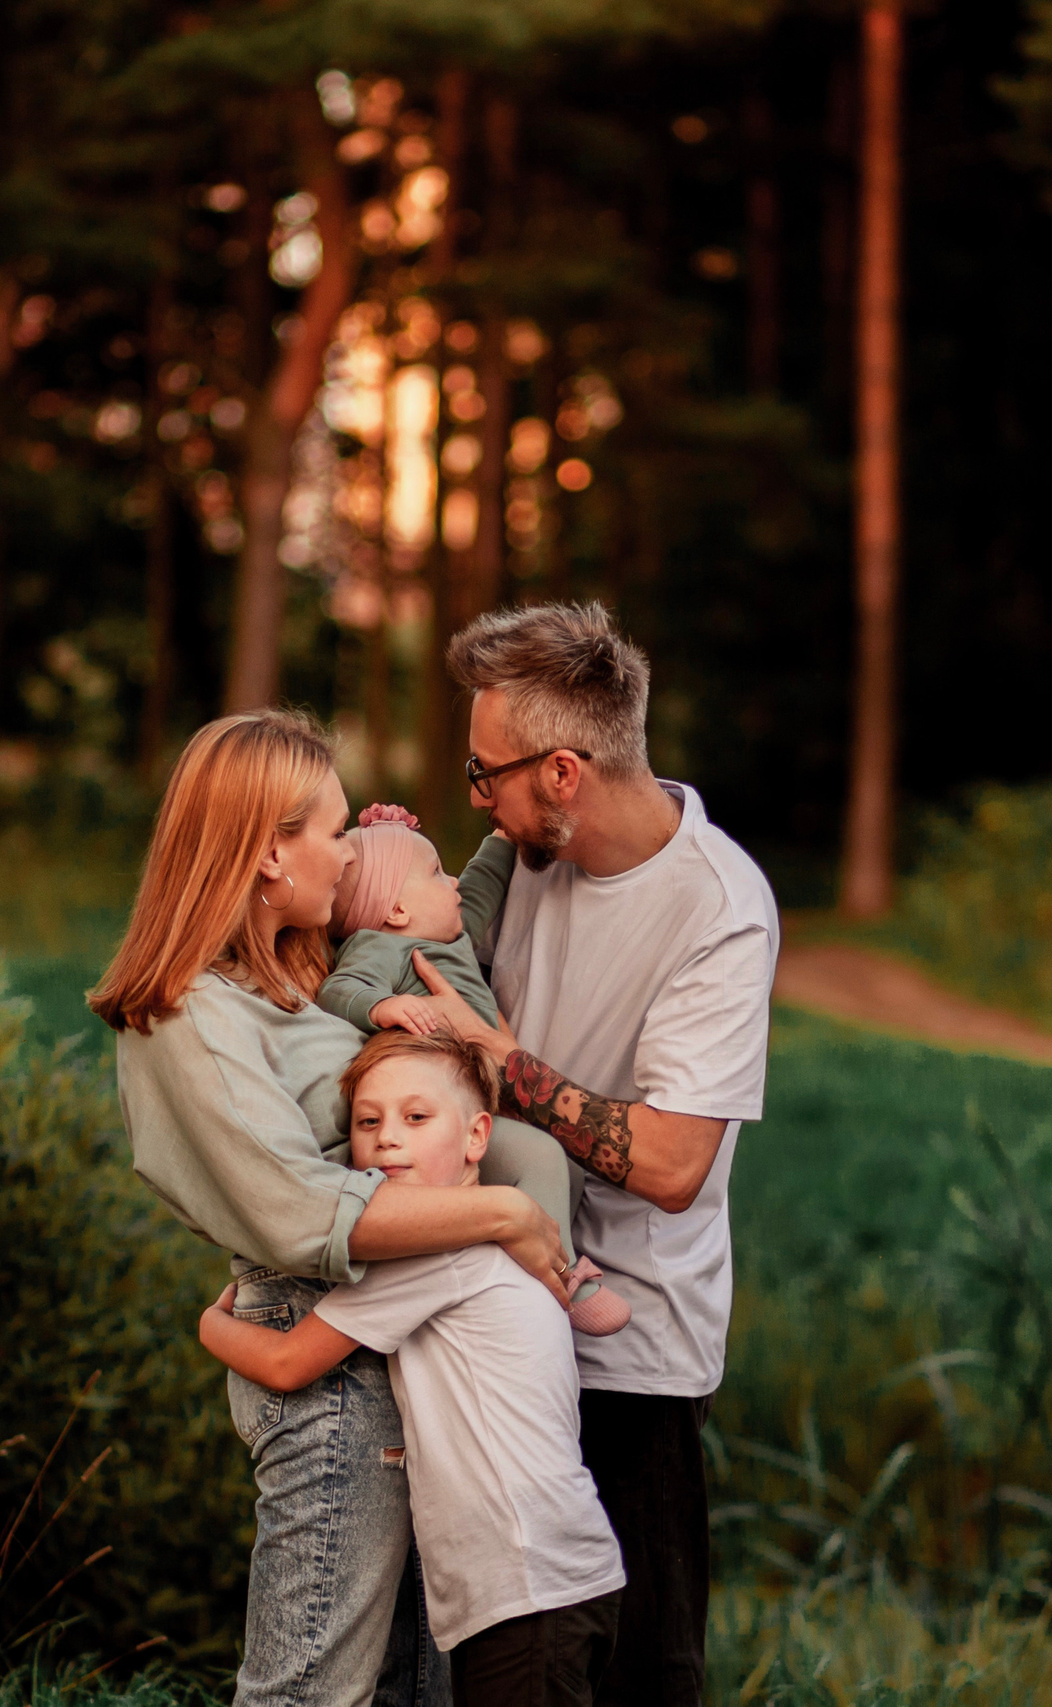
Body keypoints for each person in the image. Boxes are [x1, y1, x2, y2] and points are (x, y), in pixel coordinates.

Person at [88, 708, 574, 1707]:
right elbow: (300, 1211)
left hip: (399, 1347)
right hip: (325, 1354)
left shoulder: (284, 982)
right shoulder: (185, 1014)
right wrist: (505, 1219)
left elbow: (405, 929)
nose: (349, 850)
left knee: (407, 1691)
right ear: (269, 852)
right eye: (332, 828)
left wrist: (390, 856)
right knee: (311, 1693)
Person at [404, 603, 780, 1707]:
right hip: (490, 1306)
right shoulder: (518, 857)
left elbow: (669, 1165)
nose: (478, 797)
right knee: (503, 1667)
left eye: (487, 775)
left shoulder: (717, 908)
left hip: (633, 1351)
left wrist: (502, 1063)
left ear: (562, 771)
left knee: (644, 1672)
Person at [197, 1029, 626, 1707]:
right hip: (555, 1574)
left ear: (477, 1136)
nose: (387, 1138)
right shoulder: (491, 1245)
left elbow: (286, 1361)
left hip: (526, 1582)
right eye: (368, 1122)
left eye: (416, 1117)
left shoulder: (438, 1253)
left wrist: (211, 1325)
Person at [316, 806, 629, 1338]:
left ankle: (543, 1246)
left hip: (487, 1104)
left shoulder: (450, 936)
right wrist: (381, 1008)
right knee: (542, 1155)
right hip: (448, 1120)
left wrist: (505, 835)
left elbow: (478, 888)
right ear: (395, 910)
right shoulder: (382, 946)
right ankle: (563, 1279)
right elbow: (336, 989)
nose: (453, 880)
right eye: (437, 873)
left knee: (567, 1163)